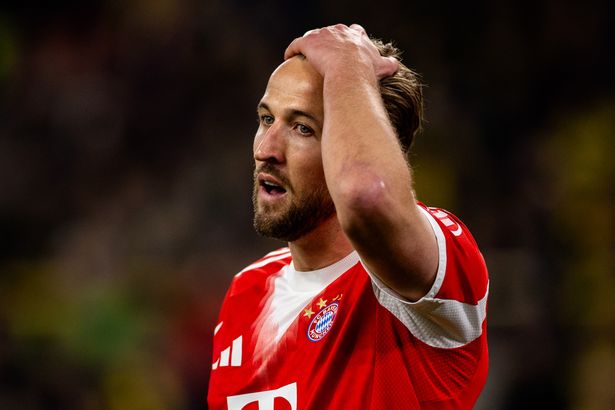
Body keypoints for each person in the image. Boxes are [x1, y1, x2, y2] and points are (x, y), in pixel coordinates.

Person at [208, 24, 489, 409]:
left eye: (303, 128)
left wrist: (347, 62)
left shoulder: (432, 268)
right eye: (267, 119)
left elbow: (366, 195)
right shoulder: (247, 291)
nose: (266, 149)